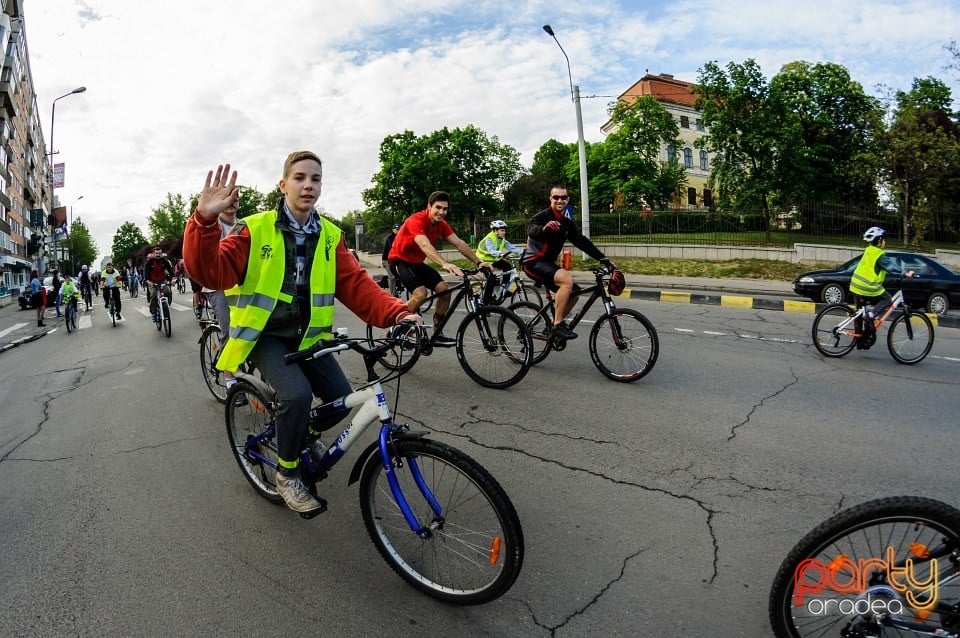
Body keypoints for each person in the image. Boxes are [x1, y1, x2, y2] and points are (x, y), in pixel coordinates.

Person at [183, 152, 421, 515]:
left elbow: (357, 284)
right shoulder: (254, 228)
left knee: (340, 399)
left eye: (315, 178)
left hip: (307, 336)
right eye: (299, 177)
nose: (308, 184)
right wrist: (204, 221)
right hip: (264, 335)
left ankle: (298, 436)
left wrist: (400, 313)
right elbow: (210, 273)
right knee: (296, 395)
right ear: (283, 185)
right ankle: (287, 474)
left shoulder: (328, 236)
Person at [387, 191, 492, 344]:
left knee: (444, 289)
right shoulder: (415, 220)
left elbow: (459, 243)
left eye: (445, 209)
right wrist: (444, 263)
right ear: (429, 206)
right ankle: (397, 328)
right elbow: (424, 244)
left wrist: (479, 262)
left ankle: (438, 334)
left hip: (417, 263)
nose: (442, 212)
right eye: (438, 207)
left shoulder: (441, 224)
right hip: (399, 261)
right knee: (420, 294)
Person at [520, 184, 614, 340]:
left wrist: (604, 259)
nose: (559, 200)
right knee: (567, 280)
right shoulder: (542, 217)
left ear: (567, 200)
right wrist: (544, 228)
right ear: (550, 199)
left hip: (548, 264)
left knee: (574, 293)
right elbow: (532, 230)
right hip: (533, 263)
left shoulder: (567, 223)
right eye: (556, 197)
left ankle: (552, 324)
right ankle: (557, 325)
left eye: (563, 197)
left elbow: (581, 242)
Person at [849, 226, 915, 349]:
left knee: (858, 314)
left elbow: (873, 270)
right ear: (879, 241)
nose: (885, 242)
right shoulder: (879, 254)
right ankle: (871, 316)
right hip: (867, 286)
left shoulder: (869, 250)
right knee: (887, 299)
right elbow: (891, 266)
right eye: (884, 240)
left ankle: (859, 340)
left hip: (855, 284)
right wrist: (905, 273)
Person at [143, 246, 174, 321]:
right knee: (153, 295)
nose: (158, 255)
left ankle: (166, 306)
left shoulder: (164, 261)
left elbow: (170, 270)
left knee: (168, 292)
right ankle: (154, 313)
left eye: (159, 253)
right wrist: (148, 281)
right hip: (152, 282)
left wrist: (173, 279)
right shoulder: (149, 262)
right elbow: (146, 272)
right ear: (153, 253)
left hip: (162, 281)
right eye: (156, 253)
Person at [381, 223, 401, 296]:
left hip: (393, 260)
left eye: (399, 229)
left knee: (400, 275)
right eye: (397, 229)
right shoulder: (390, 237)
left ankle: (397, 290)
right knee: (392, 277)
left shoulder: (400, 236)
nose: (398, 231)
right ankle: (392, 295)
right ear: (393, 230)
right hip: (386, 261)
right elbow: (392, 247)